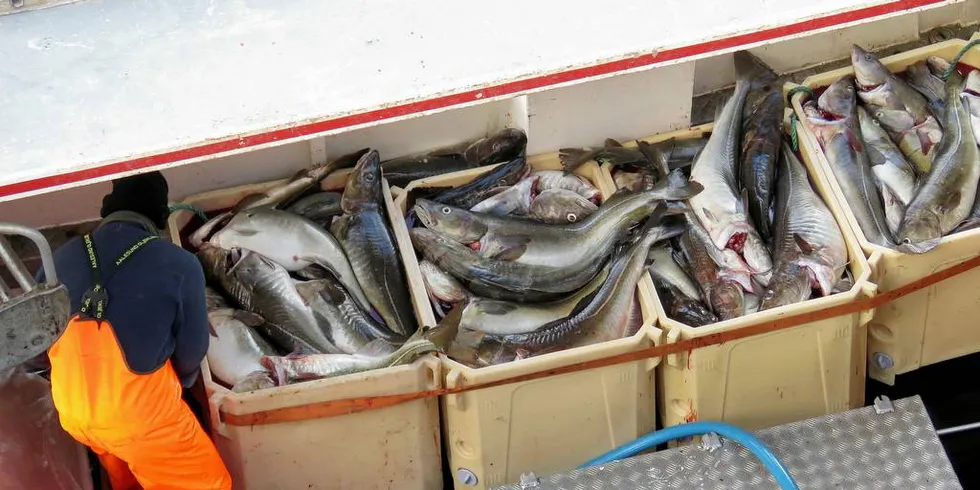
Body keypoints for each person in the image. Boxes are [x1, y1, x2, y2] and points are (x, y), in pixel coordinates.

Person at [42, 171, 232, 490]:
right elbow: (192, 351)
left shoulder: (59, 257)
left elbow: (39, 338)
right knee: (209, 484)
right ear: (158, 218)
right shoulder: (179, 263)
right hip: (139, 418)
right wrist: (179, 384)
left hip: (75, 410)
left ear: (108, 208)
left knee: (125, 475)